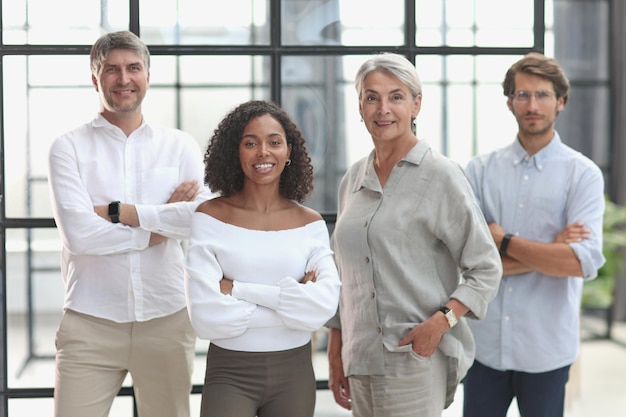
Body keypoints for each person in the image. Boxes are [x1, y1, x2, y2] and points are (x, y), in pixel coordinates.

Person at [325, 52, 503, 417]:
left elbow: (485, 267)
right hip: (359, 358)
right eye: (371, 97)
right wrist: (335, 351)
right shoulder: (353, 179)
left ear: (416, 105)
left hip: (413, 358)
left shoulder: (440, 175)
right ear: (359, 105)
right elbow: (343, 275)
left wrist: (441, 323)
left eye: (396, 96)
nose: (383, 109)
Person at [47, 31, 213, 417]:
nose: (124, 78)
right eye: (112, 70)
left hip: (166, 318)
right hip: (90, 321)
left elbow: (201, 221)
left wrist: (116, 212)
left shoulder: (180, 146)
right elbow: (80, 234)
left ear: (148, 75)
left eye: (133, 68)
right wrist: (160, 223)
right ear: (95, 78)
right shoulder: (67, 147)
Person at [463, 53, 606, 417]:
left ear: (561, 101)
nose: (532, 105)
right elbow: (469, 263)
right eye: (522, 95)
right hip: (485, 349)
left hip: (547, 350)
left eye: (542, 95)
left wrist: (504, 241)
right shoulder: (478, 172)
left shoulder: (583, 175)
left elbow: (579, 263)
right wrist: (552, 249)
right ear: (510, 102)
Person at [184, 99, 341, 417]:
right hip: (230, 374)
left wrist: (238, 289)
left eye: (274, 142)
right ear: (235, 151)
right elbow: (205, 316)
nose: (263, 153)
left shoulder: (310, 224)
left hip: (294, 374)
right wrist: (292, 306)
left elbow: (322, 309)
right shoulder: (209, 217)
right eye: (250, 143)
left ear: (289, 151)